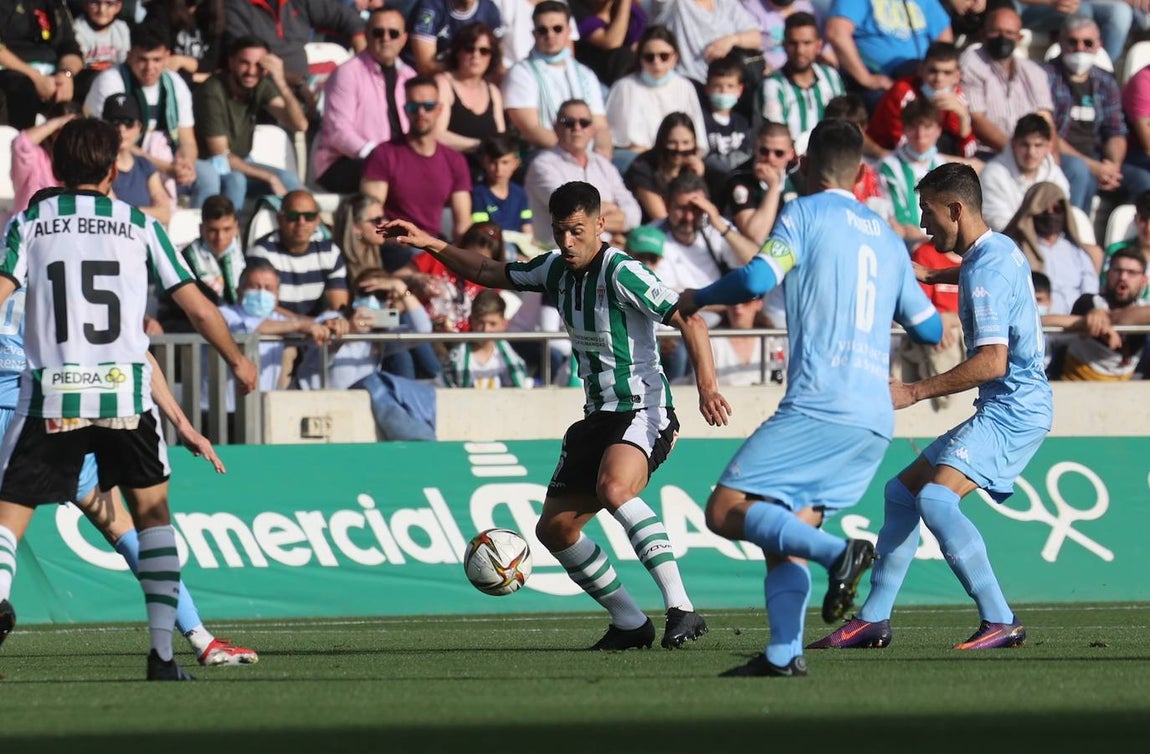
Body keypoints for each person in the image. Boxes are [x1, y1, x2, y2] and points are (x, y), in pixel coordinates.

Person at [383, 180, 732, 650]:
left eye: (576, 231)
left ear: (599, 225)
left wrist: (706, 388)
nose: (566, 242)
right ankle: (630, 623)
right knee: (555, 529)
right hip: (596, 415)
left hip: (643, 408)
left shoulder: (622, 271)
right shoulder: (554, 268)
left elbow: (690, 318)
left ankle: (682, 607)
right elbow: (488, 269)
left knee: (614, 488)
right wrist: (430, 241)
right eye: (559, 231)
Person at [675, 118, 943, 677]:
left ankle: (839, 555)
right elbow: (929, 330)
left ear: (806, 164)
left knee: (725, 510)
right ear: (862, 171)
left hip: (821, 402)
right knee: (785, 531)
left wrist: (698, 297)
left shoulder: (803, 215)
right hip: (873, 415)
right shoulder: (889, 240)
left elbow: (754, 281)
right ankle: (783, 654)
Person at [0, 117, 258, 680]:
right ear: (116, 168)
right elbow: (193, 307)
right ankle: (167, 653)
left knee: (9, 518)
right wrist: (235, 359)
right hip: (124, 398)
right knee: (150, 520)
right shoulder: (139, 225)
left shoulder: (30, 224)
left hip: (51, 398)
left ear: (57, 168)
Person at [809, 162, 1052, 652]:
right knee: (902, 493)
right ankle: (875, 619)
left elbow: (991, 363)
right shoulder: (999, 248)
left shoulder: (986, 269)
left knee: (936, 500)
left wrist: (914, 391)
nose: (923, 223)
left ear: (956, 209)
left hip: (1014, 410)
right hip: (1012, 407)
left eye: (928, 211)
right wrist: (931, 272)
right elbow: (979, 270)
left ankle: (1000, 619)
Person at [0, 286, 258, 666]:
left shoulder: (21, 253)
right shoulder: (74, 270)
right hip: (55, 415)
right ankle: (203, 640)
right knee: (126, 530)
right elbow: (136, 352)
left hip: (23, 413)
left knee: (11, 527)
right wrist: (182, 424)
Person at [190, 36, 308, 209]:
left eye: (259, 65)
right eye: (244, 63)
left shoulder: (260, 85)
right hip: (208, 165)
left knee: (289, 179)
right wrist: (269, 177)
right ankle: (231, 234)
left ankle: (302, 229)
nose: (252, 71)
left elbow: (300, 125)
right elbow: (220, 155)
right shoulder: (212, 90)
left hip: (241, 161)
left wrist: (281, 81)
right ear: (231, 63)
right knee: (237, 181)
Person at [83, 26, 198, 202]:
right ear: (129, 56)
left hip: (166, 163)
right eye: (142, 60)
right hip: (122, 160)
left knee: (209, 178)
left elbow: (187, 139)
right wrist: (166, 167)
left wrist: (185, 164)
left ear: (167, 57)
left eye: (156, 60)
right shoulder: (111, 81)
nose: (149, 68)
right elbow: (111, 141)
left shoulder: (175, 84)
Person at [313, 7, 415, 194]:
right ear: (367, 35)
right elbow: (339, 132)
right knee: (394, 177)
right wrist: (380, 157)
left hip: (397, 162)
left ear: (403, 39)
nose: (385, 38)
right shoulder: (347, 73)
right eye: (378, 32)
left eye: (393, 33)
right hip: (345, 162)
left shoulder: (410, 77)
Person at [361, 75, 473, 243]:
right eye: (414, 107)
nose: (421, 113)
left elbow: (463, 225)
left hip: (433, 246)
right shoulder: (384, 154)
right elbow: (371, 221)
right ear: (405, 109)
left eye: (428, 106)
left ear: (439, 109)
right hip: (397, 245)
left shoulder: (455, 161)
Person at [502, 1, 611, 156]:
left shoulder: (586, 74)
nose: (550, 35)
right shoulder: (520, 73)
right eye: (542, 30)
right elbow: (531, 129)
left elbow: (600, 126)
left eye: (557, 29)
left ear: (569, 31)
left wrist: (603, 154)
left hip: (588, 156)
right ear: (534, 33)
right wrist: (574, 154)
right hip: (545, 154)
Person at [526, 99, 641, 246]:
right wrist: (612, 209)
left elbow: (634, 215)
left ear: (592, 129)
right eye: (568, 122)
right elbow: (570, 210)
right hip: (560, 255)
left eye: (584, 122)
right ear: (556, 128)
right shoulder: (542, 165)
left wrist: (588, 217)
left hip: (606, 253)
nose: (577, 128)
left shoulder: (603, 165)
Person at [1043, 14, 1126, 213]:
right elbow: (1048, 133)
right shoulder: (1045, 76)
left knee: (1141, 180)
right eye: (1073, 42)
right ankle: (1076, 236)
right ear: (1061, 43)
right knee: (1081, 173)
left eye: (1087, 43)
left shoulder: (1106, 81)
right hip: (1059, 157)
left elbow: (1116, 131)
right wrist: (1094, 167)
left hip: (1098, 158)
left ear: (1098, 45)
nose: (1080, 48)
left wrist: (1112, 167)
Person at [958, 6, 1054, 155]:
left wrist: (1052, 164)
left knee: (1074, 168)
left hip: (1033, 154)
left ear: (1019, 38)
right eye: (996, 31)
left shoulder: (1034, 72)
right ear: (983, 34)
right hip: (990, 153)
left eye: (1009, 33)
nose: (1002, 38)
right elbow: (977, 121)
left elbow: (1047, 123)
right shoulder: (972, 64)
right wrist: (1017, 154)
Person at [247, 190, 352, 321]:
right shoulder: (262, 252)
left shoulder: (330, 252)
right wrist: (309, 325)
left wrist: (332, 322)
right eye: (293, 216)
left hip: (316, 333)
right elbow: (264, 307)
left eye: (309, 216)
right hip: (275, 331)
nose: (301, 222)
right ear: (280, 219)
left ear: (317, 221)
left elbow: (338, 307)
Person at [604, 25, 708, 157]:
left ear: (675, 57)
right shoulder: (624, 87)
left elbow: (698, 139)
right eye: (649, 57)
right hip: (637, 160)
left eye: (664, 56)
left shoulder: (685, 87)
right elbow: (612, 137)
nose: (656, 62)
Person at [866, 41, 976, 160]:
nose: (939, 79)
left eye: (947, 73)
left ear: (957, 76)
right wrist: (953, 163)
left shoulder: (956, 98)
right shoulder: (903, 92)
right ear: (921, 70)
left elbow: (968, 153)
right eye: (933, 71)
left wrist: (963, 117)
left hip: (932, 156)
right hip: (885, 157)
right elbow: (905, 149)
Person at [1003, 181, 1099, 314]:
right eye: (1044, 210)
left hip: (1077, 327)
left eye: (1057, 209)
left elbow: (1090, 293)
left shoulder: (1077, 252)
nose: (1051, 214)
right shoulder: (1013, 250)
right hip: (1035, 325)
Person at [825, 0, 953, 99]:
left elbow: (944, 38)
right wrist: (866, 79)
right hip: (880, 83)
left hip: (923, 79)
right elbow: (837, 33)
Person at [156, 194, 245, 332]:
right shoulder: (182, 260)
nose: (220, 237)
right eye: (213, 230)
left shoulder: (246, 258)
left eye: (227, 229)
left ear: (236, 227)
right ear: (201, 229)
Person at [1057, 247, 1147, 380]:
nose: (1123, 277)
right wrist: (1096, 313)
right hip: (1077, 388)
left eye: (1132, 273)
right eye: (1117, 270)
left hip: (1126, 392)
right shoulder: (1088, 302)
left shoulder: (1143, 308)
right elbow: (1111, 316)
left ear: (1144, 281)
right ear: (1108, 274)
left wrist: (1108, 318)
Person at [758, 12, 844, 145]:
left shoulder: (831, 77)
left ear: (819, 46)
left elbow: (844, 124)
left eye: (807, 43)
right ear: (784, 45)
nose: (800, 50)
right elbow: (777, 141)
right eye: (793, 43)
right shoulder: (772, 85)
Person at [433, 22, 506, 178]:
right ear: (457, 52)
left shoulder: (493, 92)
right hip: (449, 172)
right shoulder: (443, 84)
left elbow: (501, 140)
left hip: (486, 177)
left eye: (484, 51)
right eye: (469, 48)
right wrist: (479, 146)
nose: (476, 55)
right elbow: (437, 134)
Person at [979, 114, 1071, 232]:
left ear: (1049, 147)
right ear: (1013, 144)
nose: (1031, 153)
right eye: (1025, 145)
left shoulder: (1056, 176)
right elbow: (1002, 226)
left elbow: (1063, 221)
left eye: (1038, 145)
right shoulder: (993, 175)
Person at [0, 0, 83, 129]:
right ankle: (23, 144)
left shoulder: (54, 5)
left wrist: (66, 75)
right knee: (23, 88)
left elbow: (71, 47)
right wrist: (36, 78)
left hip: (54, 71)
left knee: (90, 81)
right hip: (13, 70)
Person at [878, 97, 947, 250]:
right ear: (904, 129)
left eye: (927, 127)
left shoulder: (943, 165)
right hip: (908, 250)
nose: (920, 135)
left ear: (938, 130)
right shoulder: (889, 167)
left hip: (942, 250)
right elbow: (900, 221)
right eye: (913, 127)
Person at [623, 111, 708, 222]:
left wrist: (696, 179)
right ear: (662, 142)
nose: (679, 149)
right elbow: (661, 218)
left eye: (686, 143)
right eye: (672, 142)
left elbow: (700, 213)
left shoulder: (694, 167)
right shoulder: (643, 167)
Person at [650, 0, 761, 85]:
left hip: (721, 85)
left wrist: (732, 40)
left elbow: (756, 38)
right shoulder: (674, 4)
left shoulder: (726, 4)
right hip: (685, 81)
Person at [104, 93, 171, 226]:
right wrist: (147, 212)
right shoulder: (100, 167)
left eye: (128, 123)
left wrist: (131, 212)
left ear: (139, 127)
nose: (121, 129)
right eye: (114, 123)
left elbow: (165, 213)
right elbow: (113, 214)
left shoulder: (144, 165)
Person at [442, 289, 530, 387]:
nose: (486, 329)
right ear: (471, 321)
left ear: (504, 324)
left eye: (492, 324)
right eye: (480, 322)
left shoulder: (512, 359)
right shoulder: (456, 360)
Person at [408, 0, 504, 75]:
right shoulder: (431, 7)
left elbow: (495, 62)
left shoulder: (490, 10)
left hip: (468, 77)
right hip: (423, 77)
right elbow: (426, 65)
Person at [701, 57, 754, 192]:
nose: (724, 92)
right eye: (717, 86)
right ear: (707, 88)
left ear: (739, 89)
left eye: (730, 86)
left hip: (739, 185)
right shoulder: (701, 120)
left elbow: (747, 152)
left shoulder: (742, 122)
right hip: (711, 186)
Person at [574, 0, 648, 86]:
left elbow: (636, 44)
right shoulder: (577, 9)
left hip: (626, 76)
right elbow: (611, 43)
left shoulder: (632, 10)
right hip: (595, 78)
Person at [471, 133, 533, 236]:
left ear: (516, 164)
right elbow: (482, 231)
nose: (498, 169)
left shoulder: (520, 193)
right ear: (483, 162)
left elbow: (527, 228)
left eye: (505, 162)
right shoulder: (478, 193)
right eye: (492, 162)